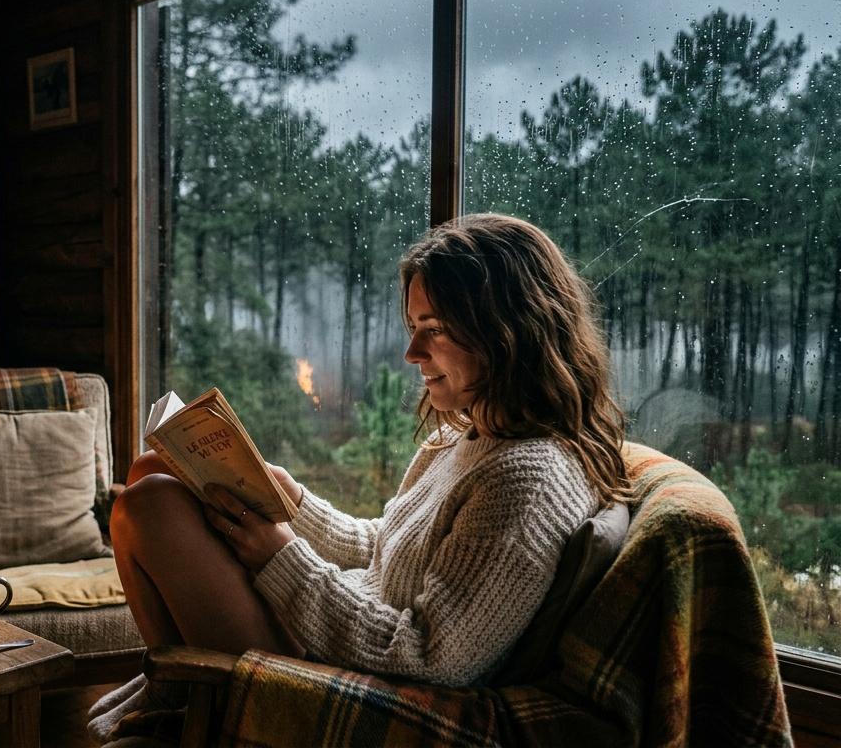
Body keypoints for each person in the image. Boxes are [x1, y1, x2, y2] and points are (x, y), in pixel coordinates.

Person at [90, 214, 632, 740]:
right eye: (413, 327)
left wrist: (280, 558)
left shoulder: (527, 480)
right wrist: (294, 503)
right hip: (337, 621)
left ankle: (194, 700)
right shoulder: (469, 438)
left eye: (434, 330)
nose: (411, 353)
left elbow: (431, 656)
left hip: (340, 672)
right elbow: (384, 547)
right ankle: (186, 695)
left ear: (508, 331)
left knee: (151, 504)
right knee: (155, 467)